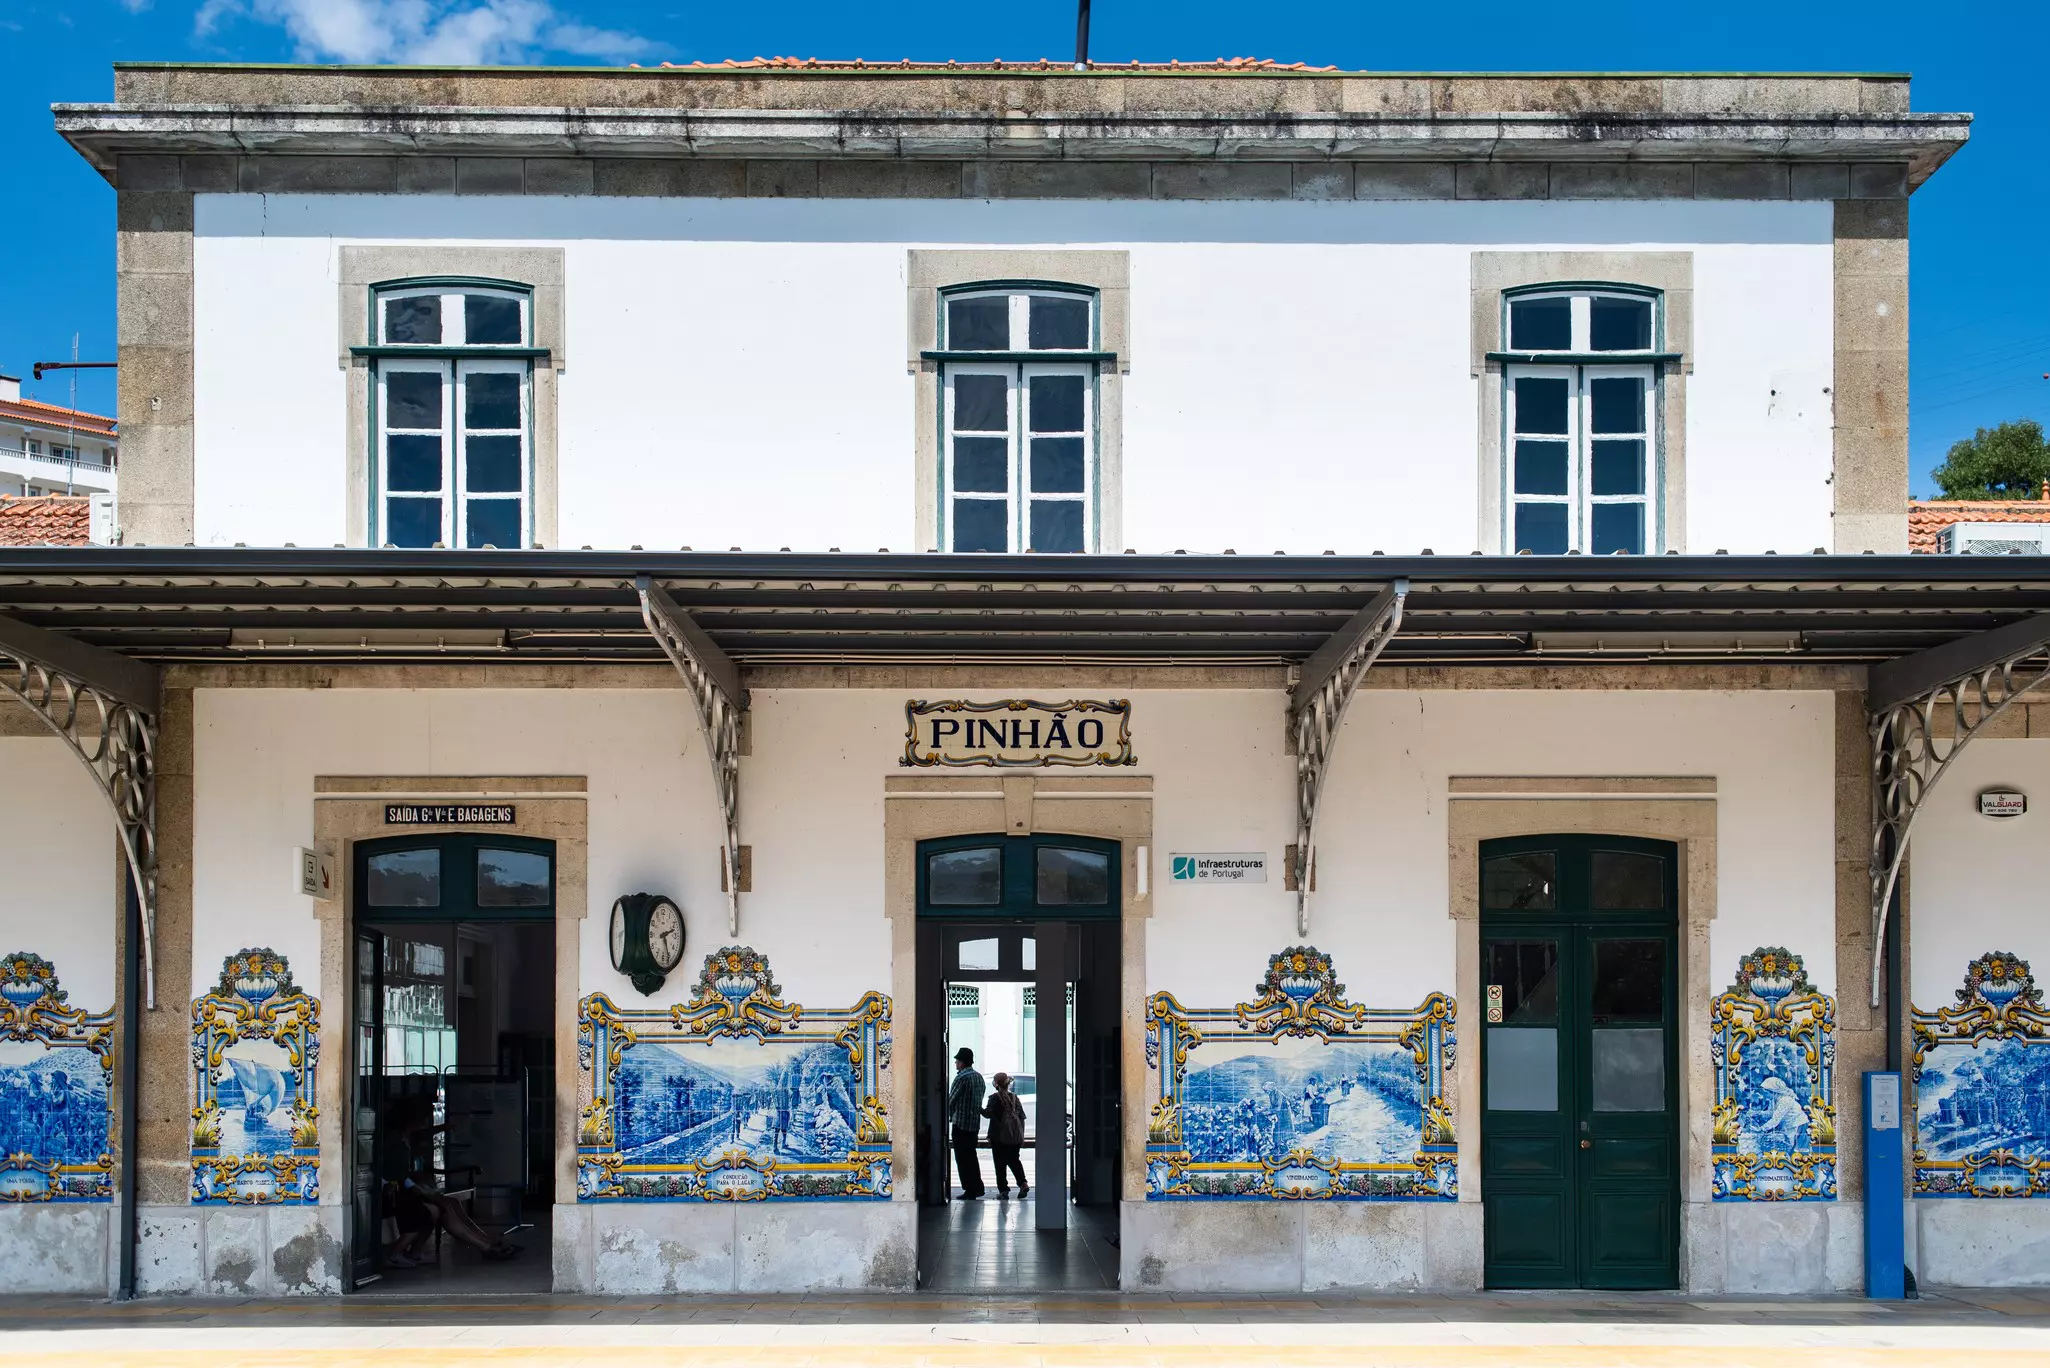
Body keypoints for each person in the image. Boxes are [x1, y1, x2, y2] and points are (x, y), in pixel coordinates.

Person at [382, 1094, 521, 1266]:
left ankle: (486, 1241)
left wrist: (444, 1127)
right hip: (401, 1193)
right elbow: (396, 1174)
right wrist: (423, 1191)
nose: (426, 1122)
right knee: (444, 1206)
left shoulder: (404, 1135)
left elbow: (422, 1134)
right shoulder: (394, 1140)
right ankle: (484, 1245)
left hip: (411, 1189)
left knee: (452, 1203)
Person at [947, 1046, 987, 1200]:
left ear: (962, 1062)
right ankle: (977, 1187)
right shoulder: (979, 1077)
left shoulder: (961, 1078)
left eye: (957, 1061)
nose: (956, 1063)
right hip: (974, 1125)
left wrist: (948, 1117)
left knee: (962, 1159)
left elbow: (951, 1101)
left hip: (961, 1125)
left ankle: (970, 1189)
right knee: (972, 1156)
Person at [983, 1071, 1029, 1200]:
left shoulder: (994, 1098)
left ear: (996, 1084)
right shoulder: (1015, 1098)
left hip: (998, 1136)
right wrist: (1021, 1135)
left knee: (1000, 1164)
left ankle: (1003, 1191)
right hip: (1014, 1136)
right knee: (1014, 1160)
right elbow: (1022, 1117)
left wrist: (978, 1109)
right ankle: (1023, 1183)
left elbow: (988, 1114)